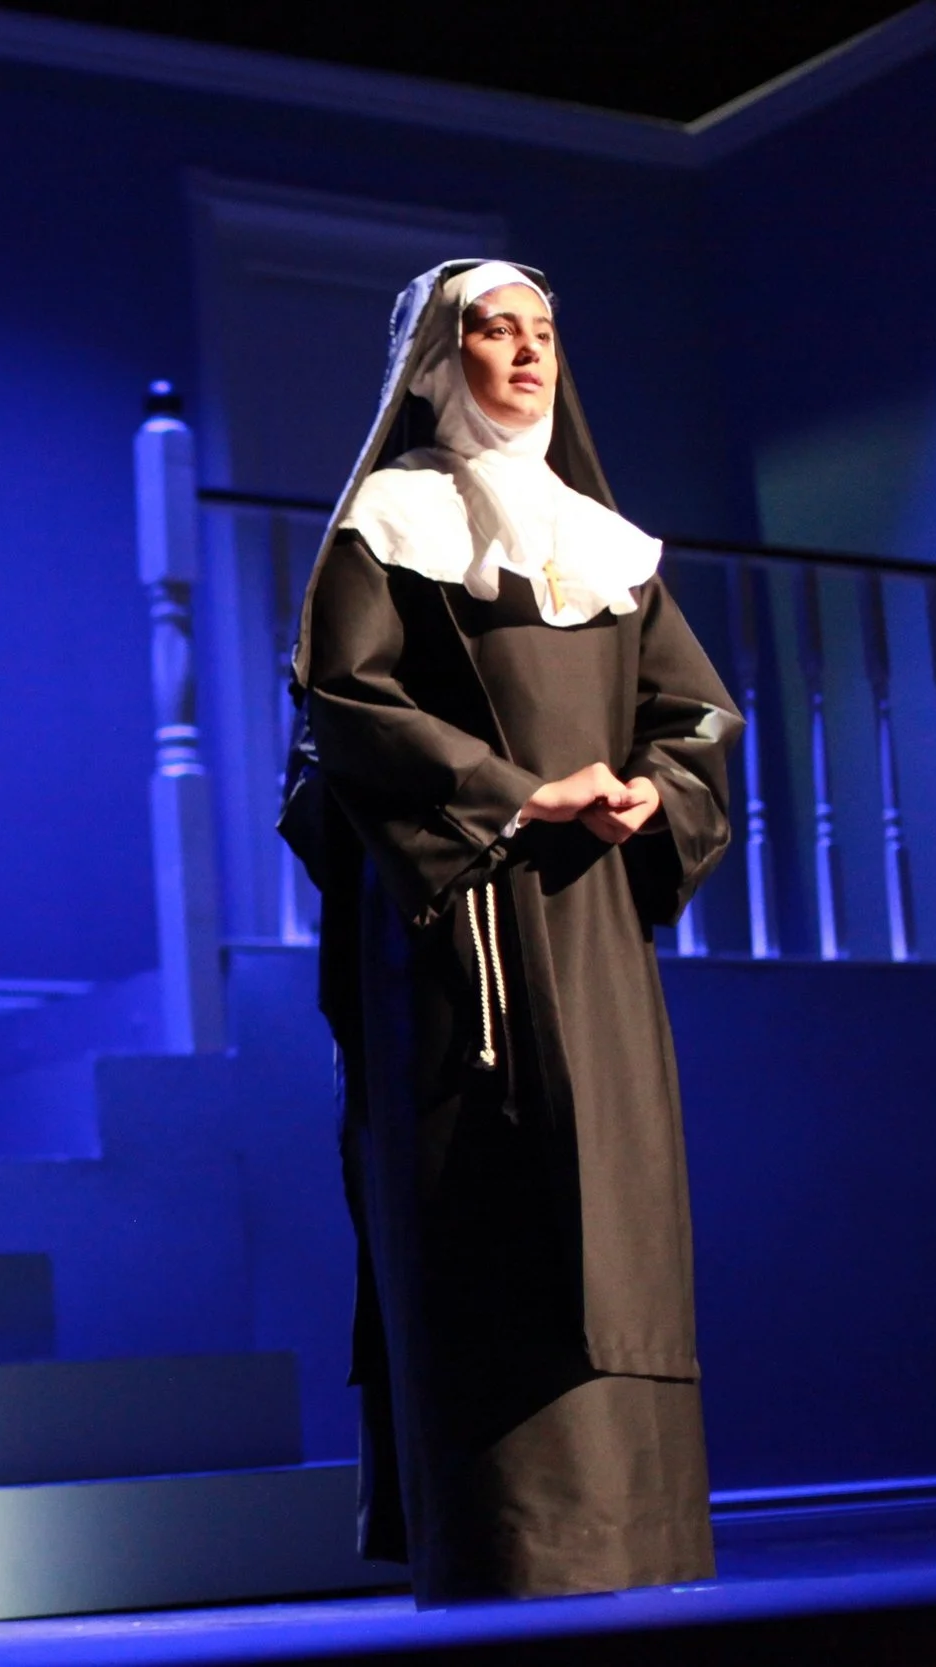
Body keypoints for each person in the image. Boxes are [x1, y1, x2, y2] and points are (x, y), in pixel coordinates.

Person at [280, 259, 742, 1601]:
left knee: (623, 1212)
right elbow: (343, 707)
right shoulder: (391, 520)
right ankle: (510, 1547)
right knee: (489, 1210)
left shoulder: (607, 544)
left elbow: (697, 715)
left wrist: (657, 790)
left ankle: (639, 1536)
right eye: (497, 329)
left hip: (590, 923)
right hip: (459, 929)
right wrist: (512, 792)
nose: (529, 352)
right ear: (439, 359)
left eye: (544, 330)